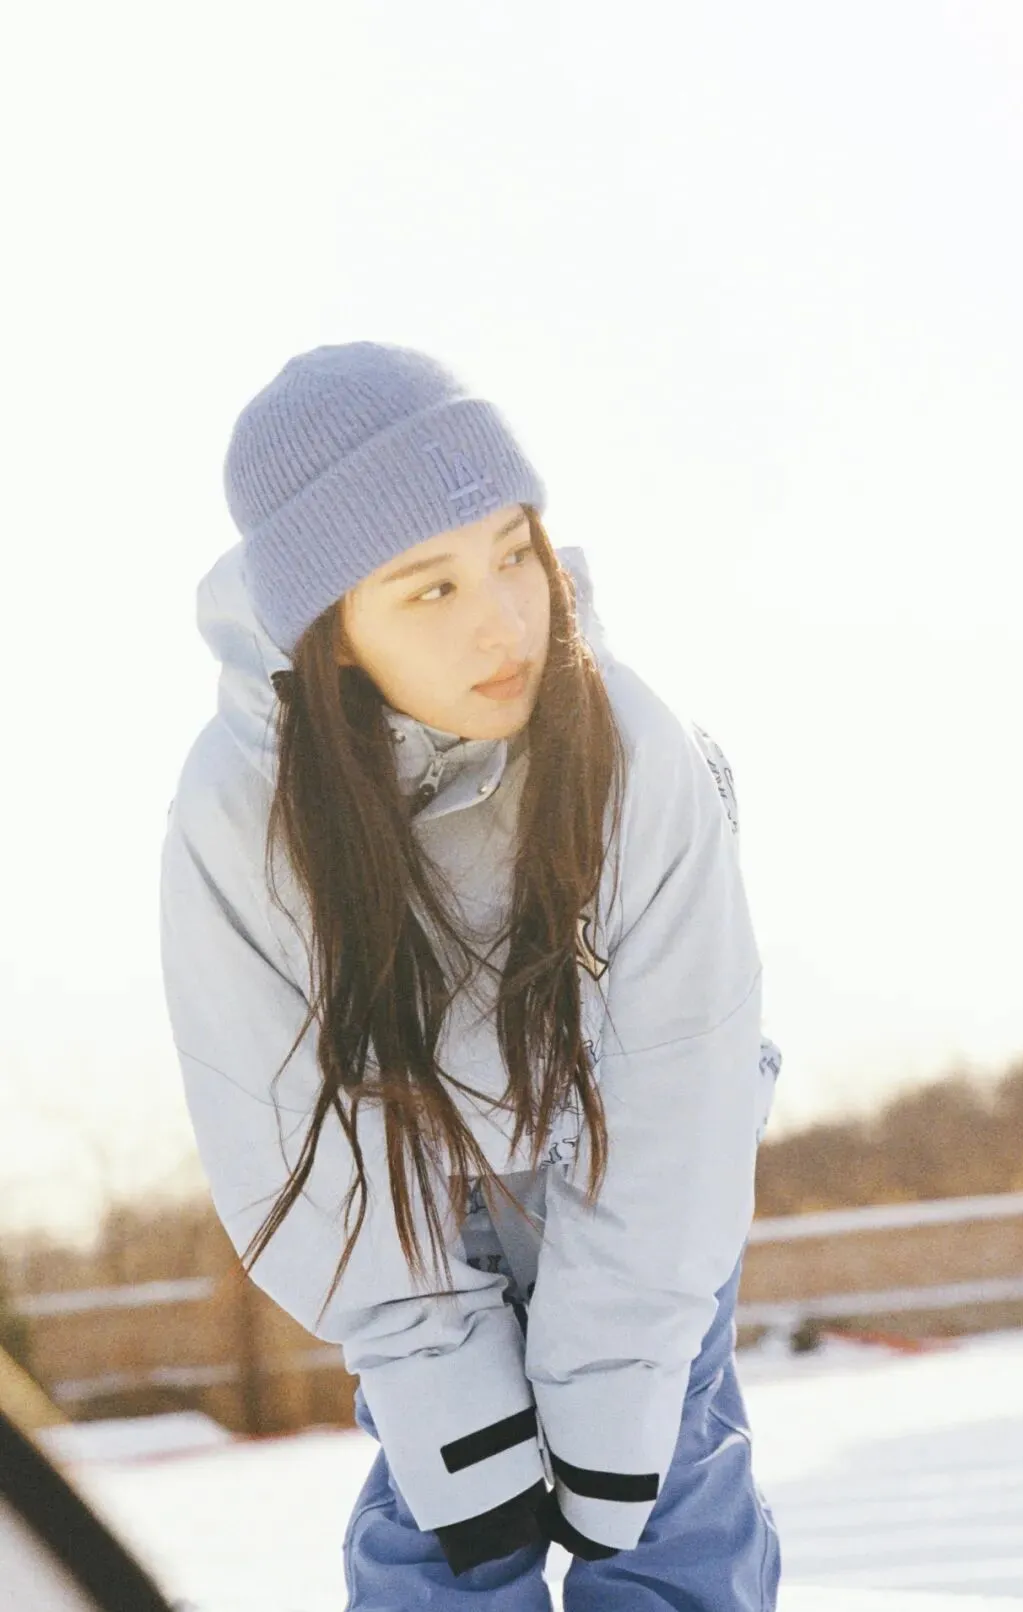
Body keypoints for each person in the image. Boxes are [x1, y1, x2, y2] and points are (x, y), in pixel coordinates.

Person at [159, 340, 783, 1609]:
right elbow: (279, 1126)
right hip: (412, 1193)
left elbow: (684, 1077)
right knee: (452, 1520)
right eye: (429, 588)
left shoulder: (632, 745)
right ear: (333, 632)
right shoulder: (240, 812)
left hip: (637, 1169)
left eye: (512, 552)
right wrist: (442, 1387)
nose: (503, 619)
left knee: (665, 1488)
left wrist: (615, 1403)